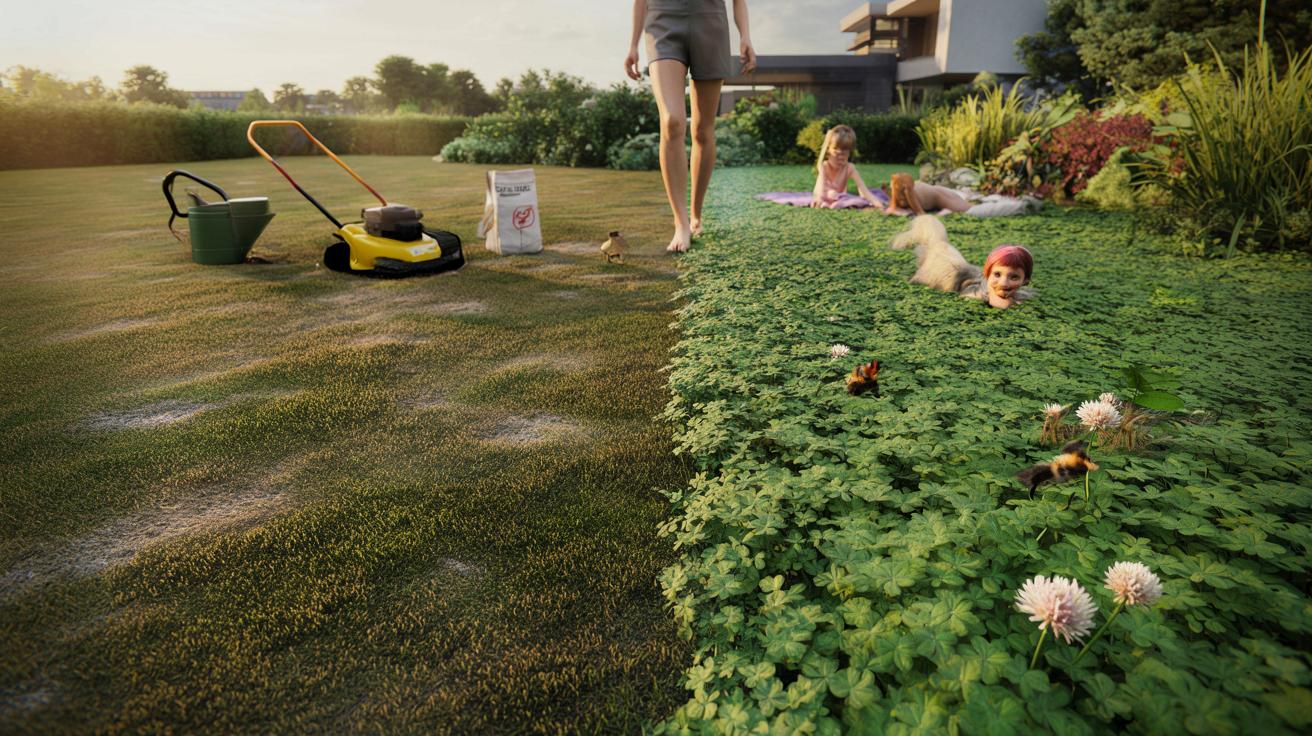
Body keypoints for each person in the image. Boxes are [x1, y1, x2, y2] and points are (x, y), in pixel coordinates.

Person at [626, 0, 756, 253]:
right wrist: (633, 44)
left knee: (702, 130)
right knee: (672, 121)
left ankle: (696, 214)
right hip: (662, 21)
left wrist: (745, 36)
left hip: (710, 21)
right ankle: (681, 221)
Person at [810, 125, 885, 209]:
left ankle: (839, 204)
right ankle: (826, 204)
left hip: (840, 198)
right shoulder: (824, 166)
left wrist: (877, 203)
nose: (840, 155)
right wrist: (818, 198)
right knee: (830, 194)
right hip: (825, 196)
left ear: (849, 152)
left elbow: (863, 190)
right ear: (828, 150)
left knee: (859, 200)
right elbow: (820, 186)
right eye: (835, 149)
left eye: (844, 151)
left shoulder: (849, 168)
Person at [883, 172, 972, 216]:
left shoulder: (908, 191)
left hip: (938, 194)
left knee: (969, 210)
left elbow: (921, 214)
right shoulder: (895, 186)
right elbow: (892, 208)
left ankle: (962, 195)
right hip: (928, 190)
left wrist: (942, 214)